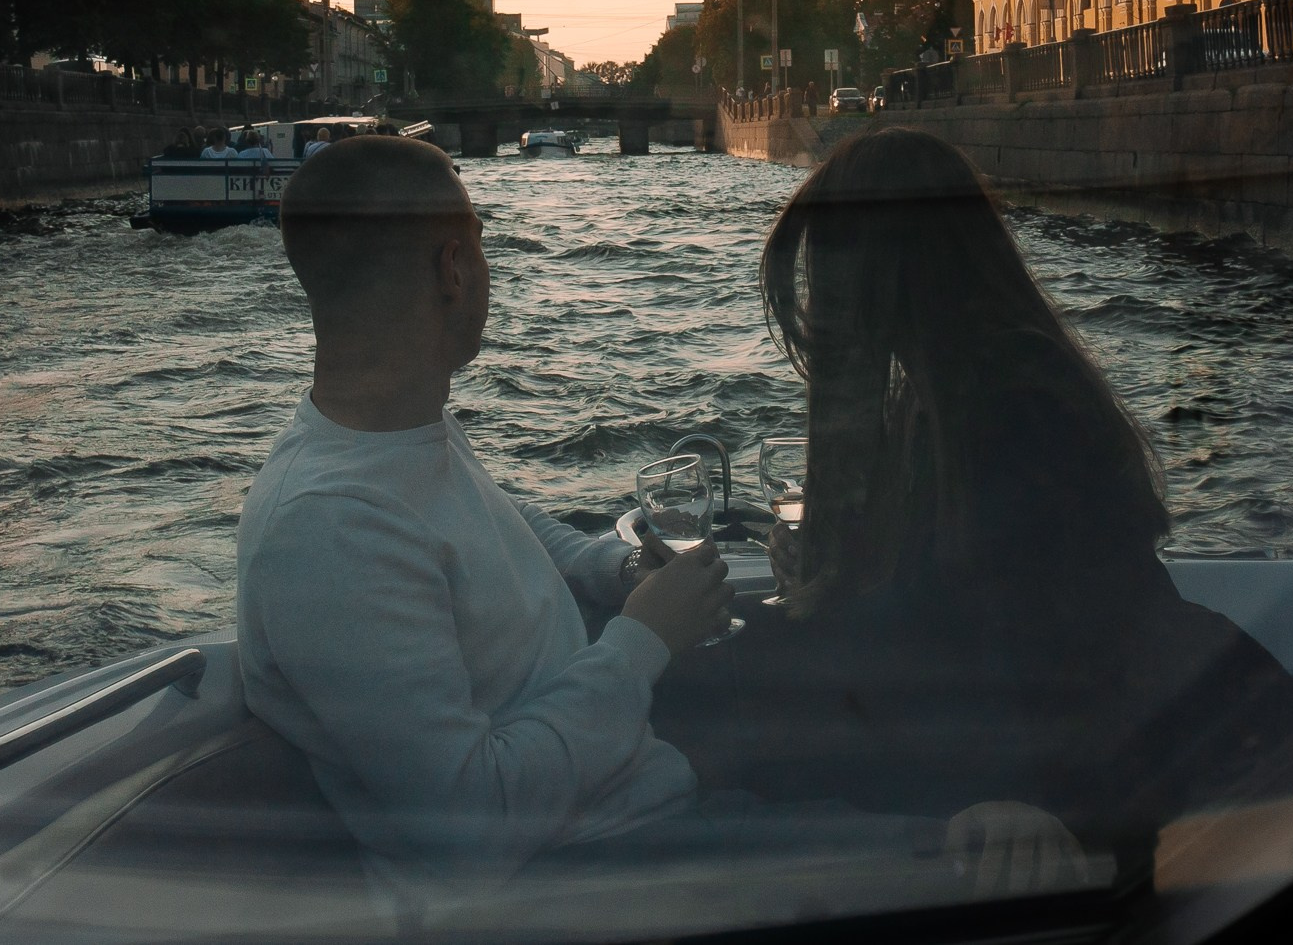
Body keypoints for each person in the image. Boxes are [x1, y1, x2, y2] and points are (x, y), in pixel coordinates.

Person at [237, 137, 1080, 913]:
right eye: (483, 244)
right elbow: (469, 827)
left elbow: (502, 520)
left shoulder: (394, 442)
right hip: (586, 876)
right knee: (965, 864)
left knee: (839, 703)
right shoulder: (328, 532)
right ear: (453, 267)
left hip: (627, 790)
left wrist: (612, 570)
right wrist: (640, 641)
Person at [653, 127, 1293, 873]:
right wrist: (835, 569)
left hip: (1104, 756)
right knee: (714, 686)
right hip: (1010, 714)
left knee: (710, 706)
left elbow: (1063, 643)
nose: (814, 301)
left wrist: (1033, 799)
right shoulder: (951, 390)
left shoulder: (1019, 411)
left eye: (825, 272)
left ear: (889, 270)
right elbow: (948, 607)